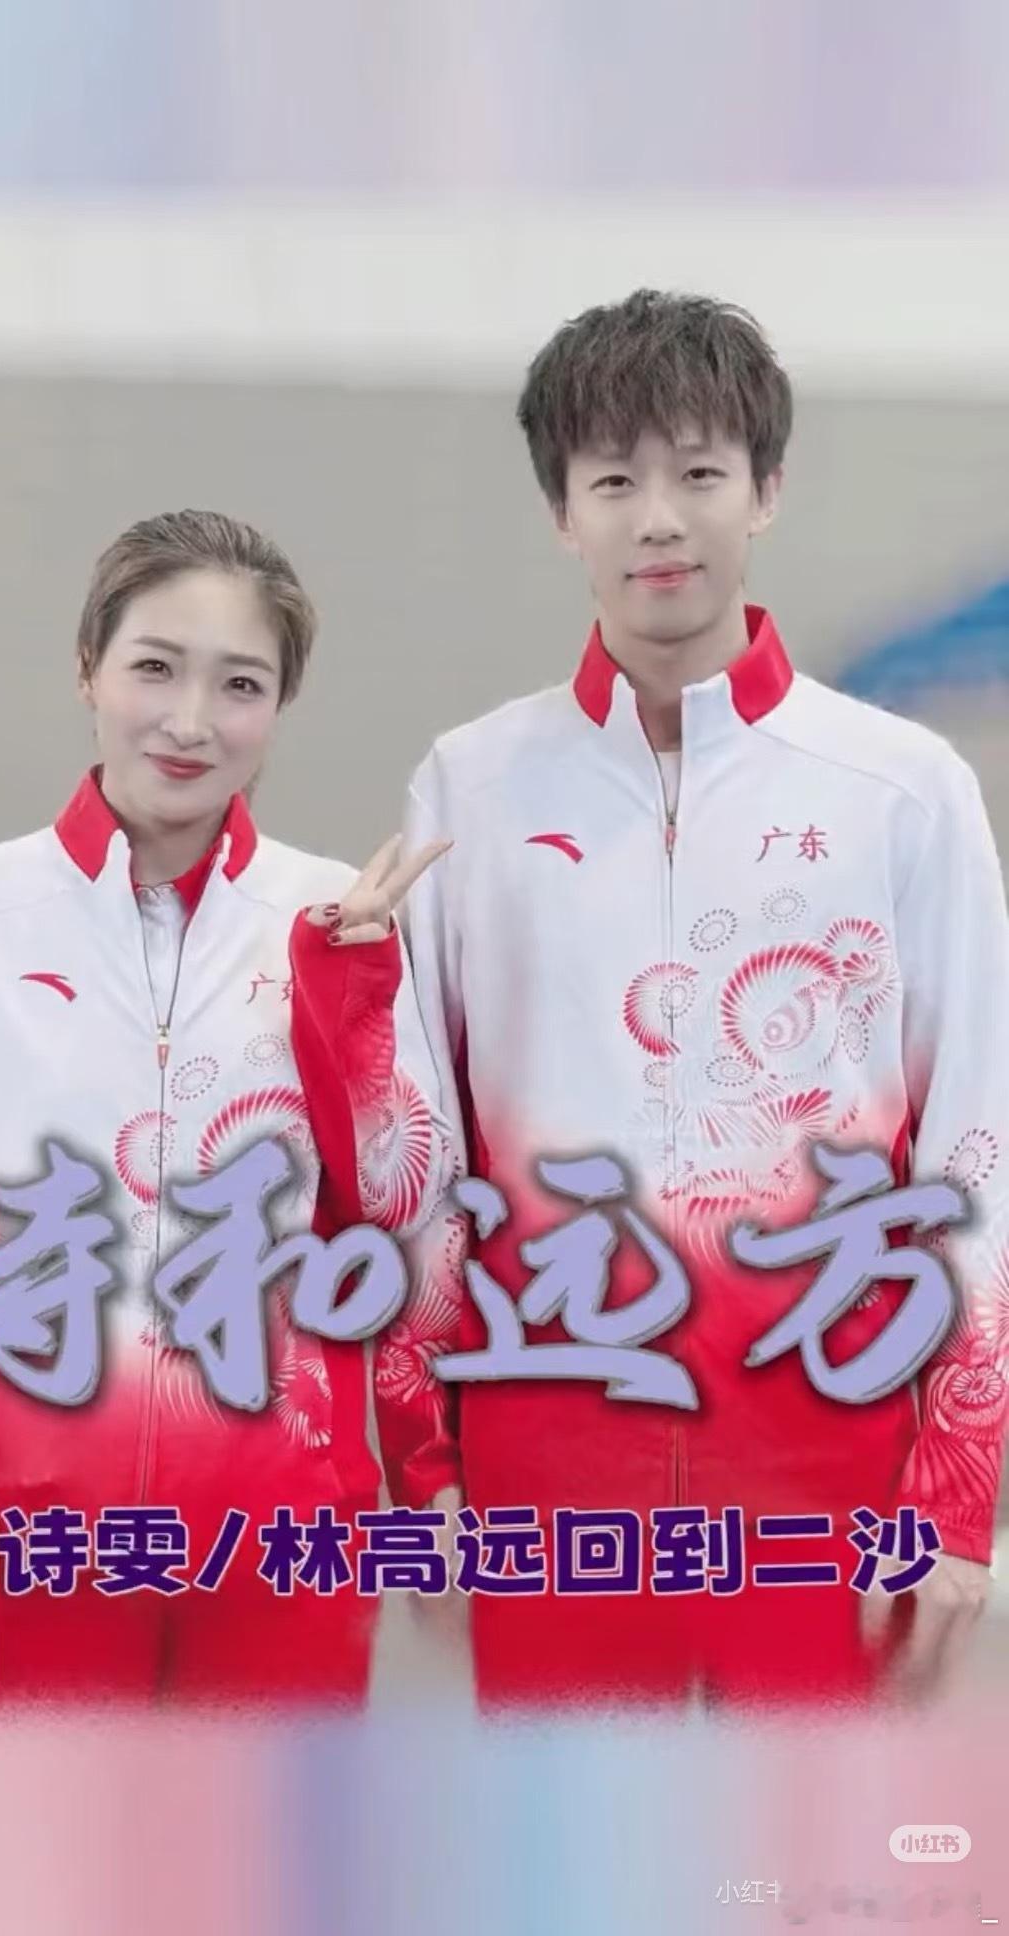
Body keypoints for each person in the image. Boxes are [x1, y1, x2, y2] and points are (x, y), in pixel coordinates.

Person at [396, 290, 1009, 1708]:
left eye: (698, 473)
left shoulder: (900, 790)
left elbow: (974, 1142)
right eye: (613, 481)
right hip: (549, 1469)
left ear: (766, 490)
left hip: (827, 1459)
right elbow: (417, 1156)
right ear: (562, 512)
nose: (659, 520)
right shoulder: (473, 787)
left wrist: (955, 1489)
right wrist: (425, 1470)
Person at [0, 507, 459, 1708]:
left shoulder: (337, 916)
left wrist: (354, 1005)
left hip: (286, 1542)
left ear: (279, 706)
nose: (190, 720)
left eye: (240, 684)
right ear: (89, 669)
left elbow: (404, 1217)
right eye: (155, 667)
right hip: (36, 1542)